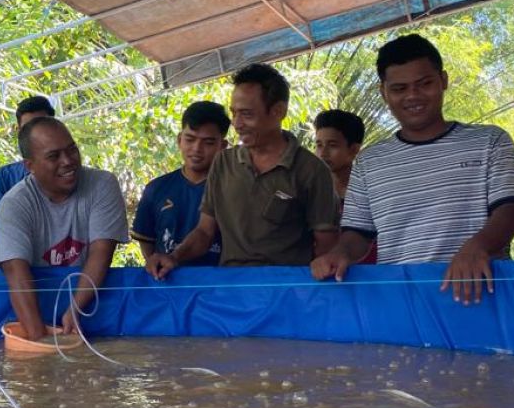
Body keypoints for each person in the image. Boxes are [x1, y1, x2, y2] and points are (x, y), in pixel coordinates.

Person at [310, 33, 514, 305]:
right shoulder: (369, 162)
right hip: (403, 304)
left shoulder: (491, 141)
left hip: (480, 296)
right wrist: (340, 252)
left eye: (424, 84)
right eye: (399, 88)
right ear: (384, 93)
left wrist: (478, 247)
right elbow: (358, 234)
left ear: (444, 80)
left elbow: (512, 211)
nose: (413, 96)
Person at [147, 64, 338, 279]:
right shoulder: (223, 162)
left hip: (287, 290)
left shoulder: (311, 169)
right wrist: (174, 257)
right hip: (232, 288)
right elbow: (204, 231)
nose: (237, 124)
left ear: (278, 111)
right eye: (234, 113)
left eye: (247, 114)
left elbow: (326, 243)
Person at [0, 117, 128, 340]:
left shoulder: (102, 184)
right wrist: (41, 343)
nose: (68, 161)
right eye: (53, 156)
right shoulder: (14, 204)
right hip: (34, 306)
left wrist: (75, 309)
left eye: (72, 150)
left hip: (90, 304)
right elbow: (16, 275)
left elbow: (101, 253)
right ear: (30, 166)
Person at [131, 100, 229, 265]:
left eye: (208, 142)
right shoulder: (156, 189)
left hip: (218, 285)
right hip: (169, 283)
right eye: (190, 139)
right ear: (179, 140)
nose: (197, 148)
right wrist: (159, 268)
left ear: (223, 146)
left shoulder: (232, 188)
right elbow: (146, 242)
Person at [0, 95, 55, 245]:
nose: (36, 134)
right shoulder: (3, 178)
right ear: (18, 131)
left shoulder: (70, 173)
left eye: (42, 126)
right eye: (28, 128)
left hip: (69, 267)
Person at [313, 109, 376, 264]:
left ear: (354, 149)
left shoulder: (370, 193)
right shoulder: (310, 194)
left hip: (366, 277)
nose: (323, 153)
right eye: (319, 145)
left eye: (332, 145)